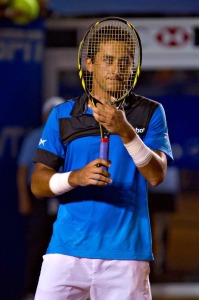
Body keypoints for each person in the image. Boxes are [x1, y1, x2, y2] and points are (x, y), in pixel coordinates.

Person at [31, 20, 173, 300]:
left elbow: (157, 176)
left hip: (126, 256)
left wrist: (126, 132)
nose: (117, 69)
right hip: (66, 252)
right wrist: (75, 177)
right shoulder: (63, 114)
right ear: (89, 64)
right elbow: (38, 184)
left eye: (125, 62)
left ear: (134, 66)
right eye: (108, 60)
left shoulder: (150, 112)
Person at [17, 96, 65, 300]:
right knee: (38, 242)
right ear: (45, 115)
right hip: (40, 197)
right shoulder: (36, 136)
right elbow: (23, 171)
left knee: (62, 245)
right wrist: (24, 199)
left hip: (64, 196)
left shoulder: (71, 137)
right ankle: (31, 291)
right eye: (51, 112)